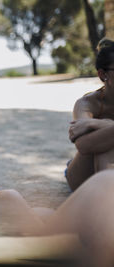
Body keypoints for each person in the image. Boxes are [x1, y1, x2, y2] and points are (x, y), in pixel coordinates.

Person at [66, 37, 114, 191]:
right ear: (102, 75)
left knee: (106, 140)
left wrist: (97, 123)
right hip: (82, 176)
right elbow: (84, 145)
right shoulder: (86, 104)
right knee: (104, 147)